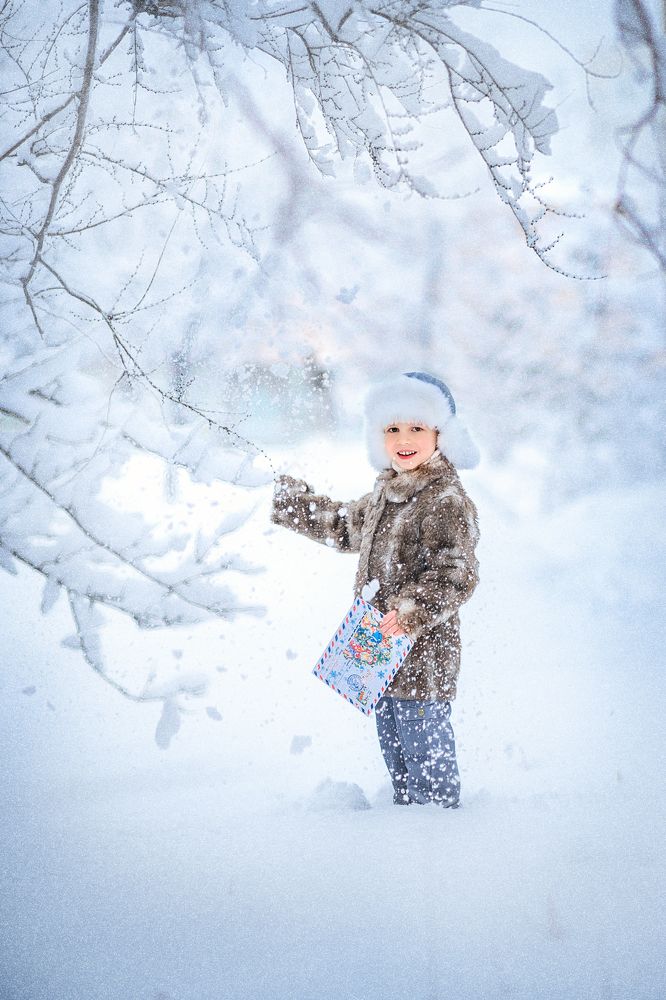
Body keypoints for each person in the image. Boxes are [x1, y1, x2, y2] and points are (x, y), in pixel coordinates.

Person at [271, 371, 480, 807]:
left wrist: (411, 610)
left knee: (424, 747)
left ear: (440, 434)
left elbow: (456, 574)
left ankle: (438, 822)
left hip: (423, 657)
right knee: (394, 746)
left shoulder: (444, 500)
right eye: (392, 428)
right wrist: (291, 503)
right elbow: (344, 524)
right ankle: (403, 814)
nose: (404, 439)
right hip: (378, 654)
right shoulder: (388, 493)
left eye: (416, 427)